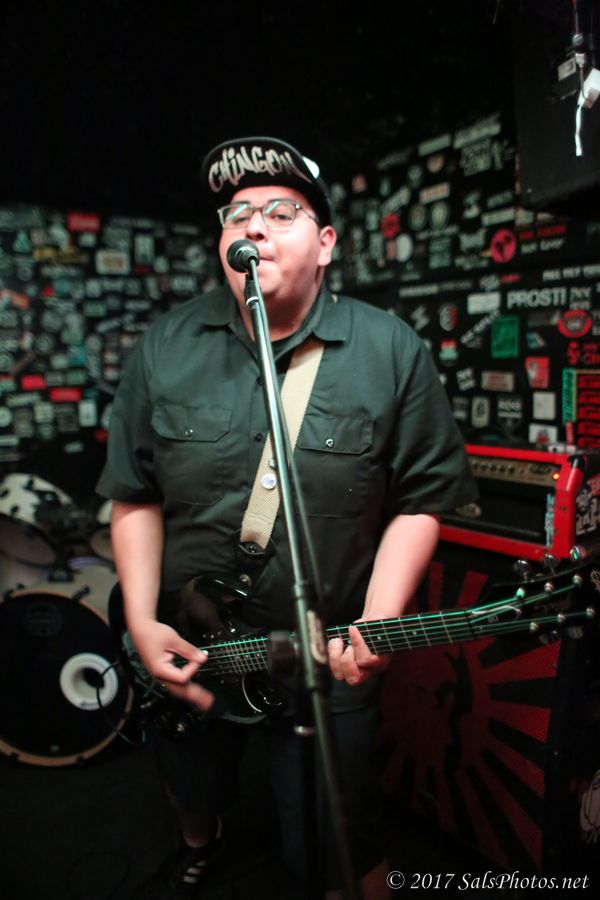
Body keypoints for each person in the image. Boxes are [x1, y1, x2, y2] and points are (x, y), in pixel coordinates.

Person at [97, 136, 478, 899]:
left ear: (326, 243)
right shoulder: (167, 345)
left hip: (322, 655)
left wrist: (378, 620)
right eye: (236, 214)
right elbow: (133, 494)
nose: (253, 226)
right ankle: (200, 839)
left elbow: (421, 500)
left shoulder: (389, 349)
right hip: (190, 643)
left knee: (338, 839)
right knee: (191, 778)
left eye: (280, 211)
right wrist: (139, 618)